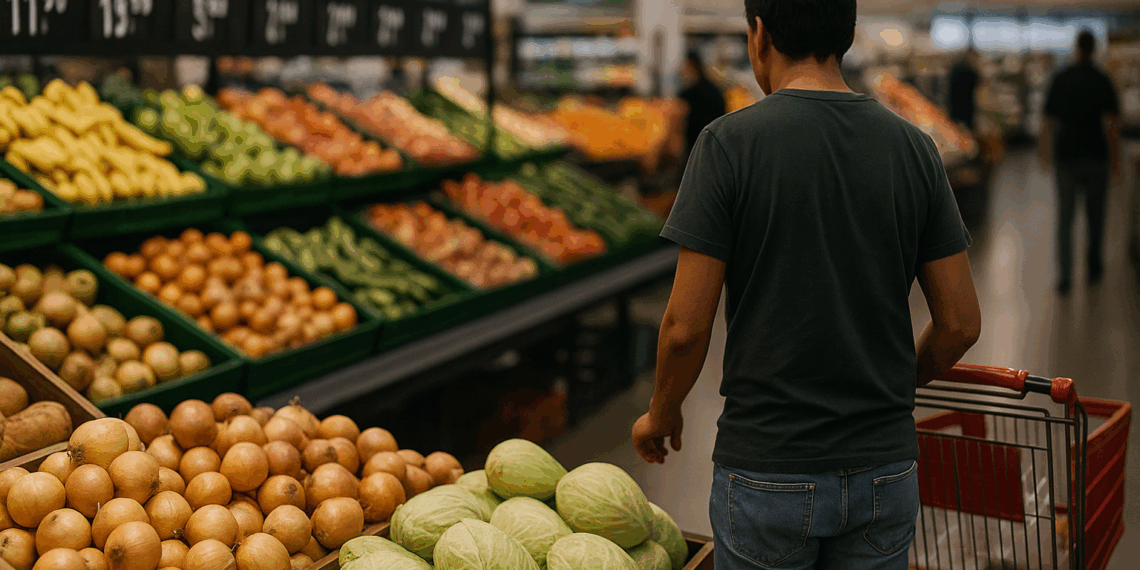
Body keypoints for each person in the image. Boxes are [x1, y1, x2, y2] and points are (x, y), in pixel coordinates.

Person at [630, 0, 982, 568]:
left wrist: (663, 411)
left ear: (760, 33)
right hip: (883, 470)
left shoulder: (727, 144)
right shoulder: (915, 148)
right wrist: (896, 387)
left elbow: (683, 327)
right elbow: (961, 323)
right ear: (846, 34)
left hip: (768, 467)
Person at [1040, 30, 1120, 295]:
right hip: (1096, 155)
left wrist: (1045, 154)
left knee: (1065, 217)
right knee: (1096, 216)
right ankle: (1093, 268)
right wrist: (1116, 160)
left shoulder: (1061, 78)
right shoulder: (1102, 79)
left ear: (1076, 47)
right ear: (1094, 48)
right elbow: (1111, 123)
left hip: (1067, 156)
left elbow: (1048, 121)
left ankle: (1065, 276)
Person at [678, 52, 727, 152]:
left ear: (692, 66)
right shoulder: (716, 91)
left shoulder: (688, 95)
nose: (682, 71)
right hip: (716, 144)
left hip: (694, 145)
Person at [948, 48, 980, 129]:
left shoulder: (956, 67)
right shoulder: (968, 69)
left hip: (954, 104)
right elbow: (977, 81)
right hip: (965, 106)